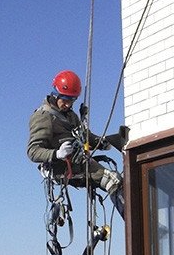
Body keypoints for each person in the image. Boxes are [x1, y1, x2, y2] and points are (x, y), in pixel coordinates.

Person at [28, 69, 127, 218]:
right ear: (55, 95)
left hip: (79, 162)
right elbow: (33, 151)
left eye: (72, 100)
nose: (68, 104)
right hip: (61, 167)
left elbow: (83, 137)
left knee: (119, 181)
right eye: (65, 100)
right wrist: (57, 153)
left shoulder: (70, 116)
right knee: (112, 180)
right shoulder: (43, 117)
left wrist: (103, 142)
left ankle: (141, 220)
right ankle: (137, 226)